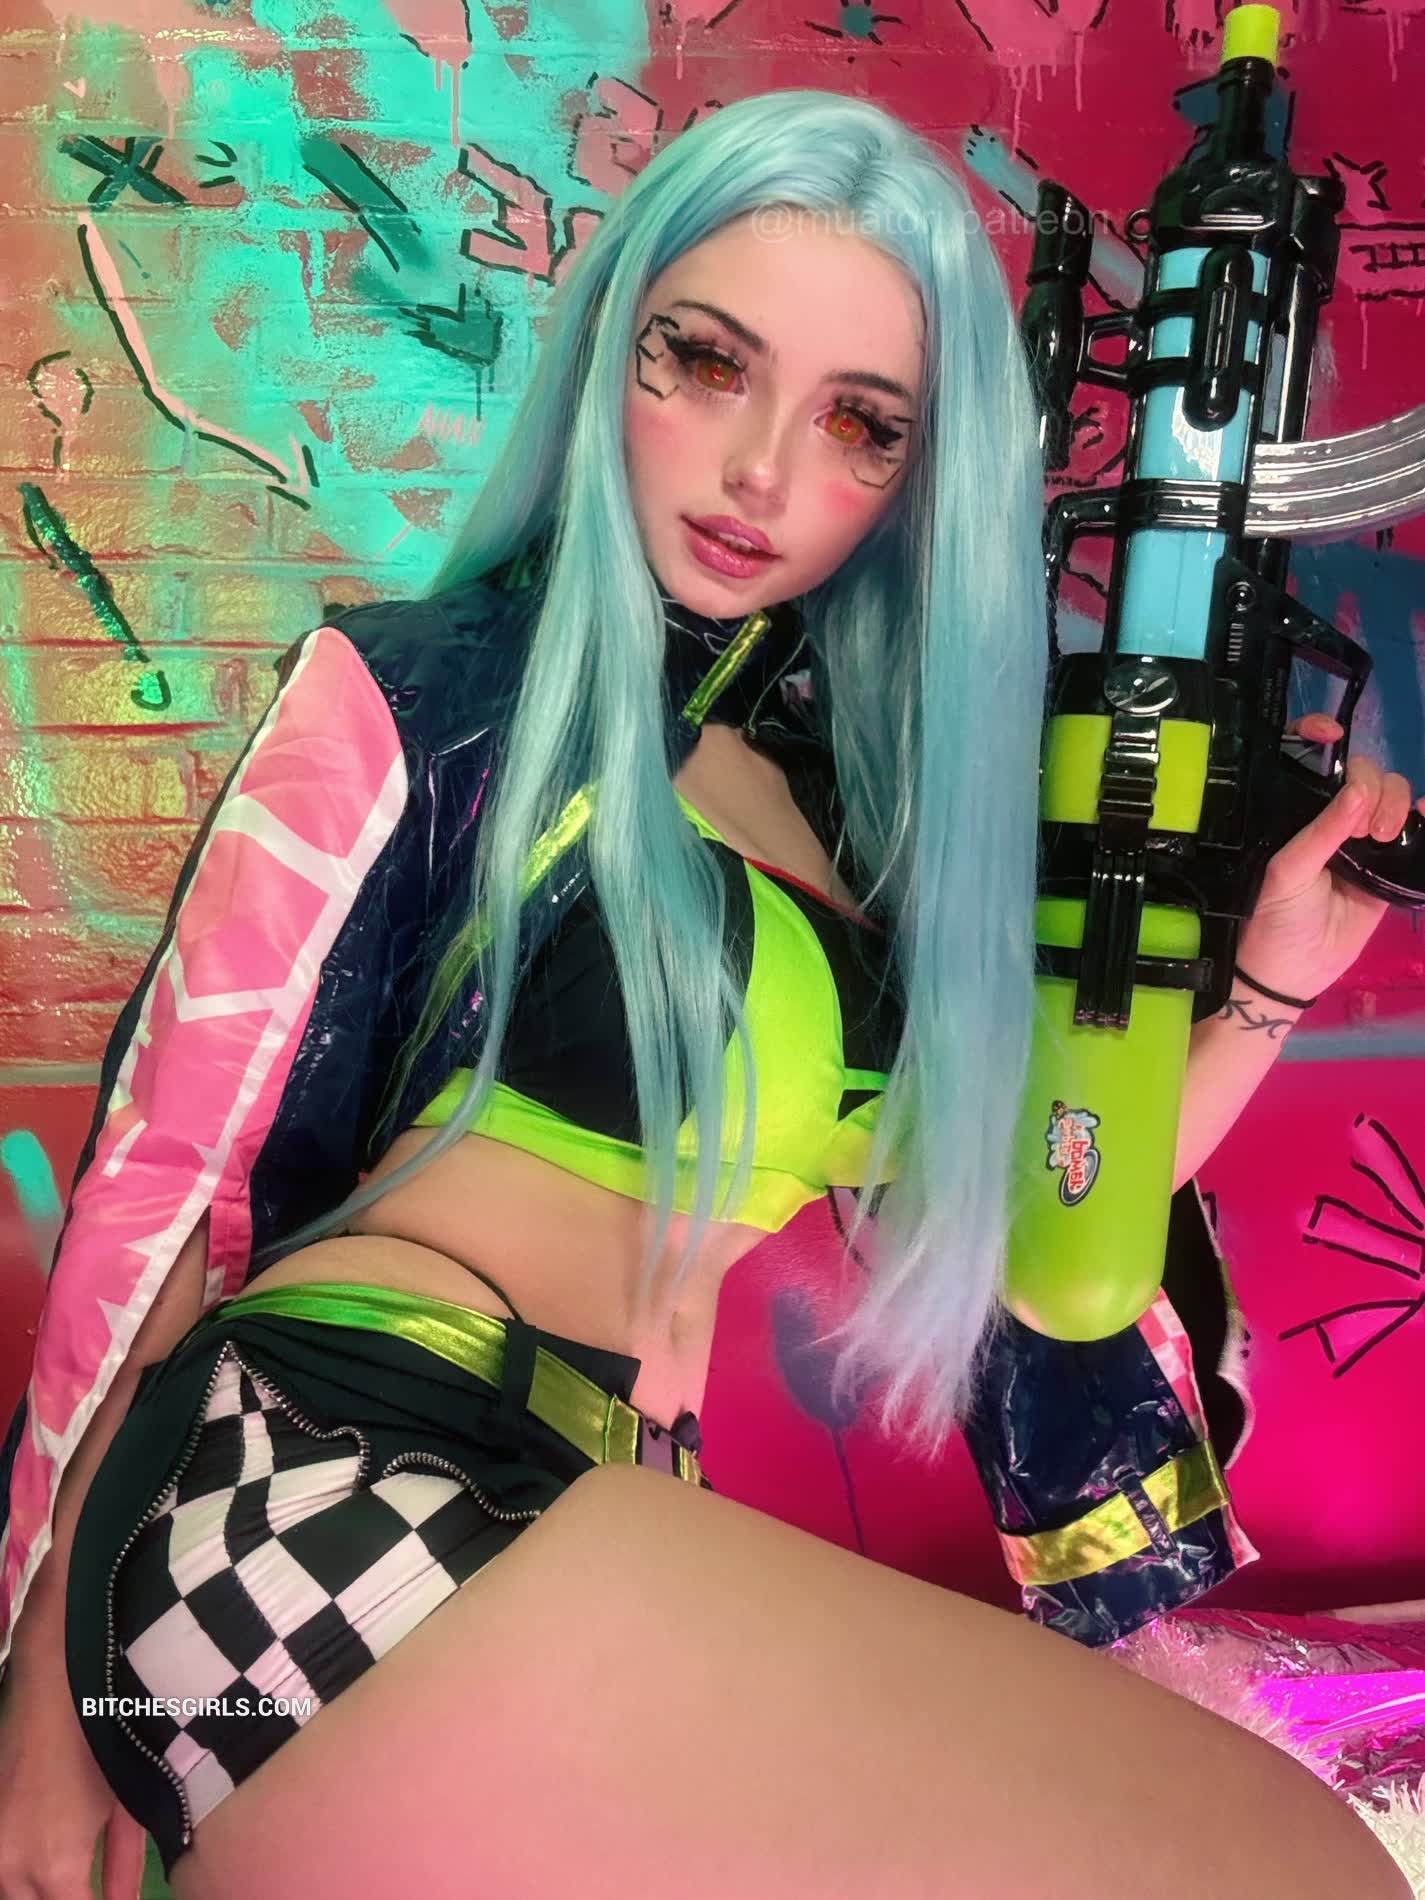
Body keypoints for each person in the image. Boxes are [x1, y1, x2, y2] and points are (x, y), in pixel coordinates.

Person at [0, 90, 1410, 1900]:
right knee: (1272, 1861)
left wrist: (1274, 979)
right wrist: (49, 1690)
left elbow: (1027, 1231)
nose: (759, 471)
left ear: (919, 476)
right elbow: (173, 1181)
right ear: (614, 353)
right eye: (708, 361)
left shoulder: (857, 824)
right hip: (321, 1472)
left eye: (857, 423)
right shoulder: (428, 695)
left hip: (576, 1503)